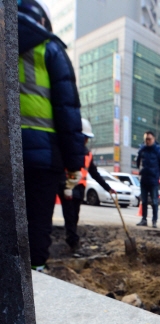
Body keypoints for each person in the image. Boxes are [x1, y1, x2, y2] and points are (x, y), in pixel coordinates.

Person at [18, 0, 85, 270]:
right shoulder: (50, 48)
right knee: (37, 221)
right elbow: (67, 110)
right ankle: (34, 278)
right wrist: (73, 163)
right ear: (43, 21)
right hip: (43, 154)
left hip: (9, 152)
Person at [59, 118, 116, 251]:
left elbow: (95, 173)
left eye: (87, 138)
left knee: (75, 216)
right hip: (67, 187)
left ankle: (71, 240)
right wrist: (64, 186)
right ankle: (73, 243)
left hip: (79, 189)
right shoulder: (66, 150)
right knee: (70, 216)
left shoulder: (87, 154)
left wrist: (108, 188)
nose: (86, 141)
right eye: (84, 137)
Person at [136, 131, 160, 228]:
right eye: (146, 139)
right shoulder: (142, 150)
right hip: (144, 180)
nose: (147, 141)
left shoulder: (158, 151)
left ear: (153, 139)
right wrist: (141, 171)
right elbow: (138, 162)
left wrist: (157, 174)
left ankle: (154, 221)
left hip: (153, 180)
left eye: (149, 139)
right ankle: (144, 219)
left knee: (154, 201)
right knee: (144, 201)